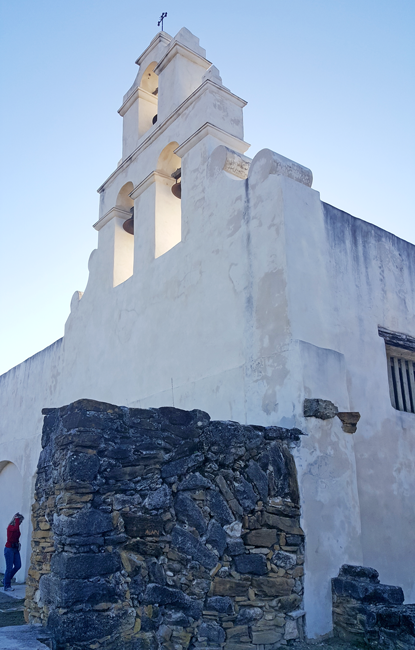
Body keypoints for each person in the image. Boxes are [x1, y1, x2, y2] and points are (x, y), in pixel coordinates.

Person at [3, 513, 24, 591]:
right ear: (16, 520)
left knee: (18, 565)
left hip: (15, 549)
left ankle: (6, 579)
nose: (20, 522)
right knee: (9, 568)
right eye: (20, 521)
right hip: (9, 549)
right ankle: (7, 586)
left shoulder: (16, 527)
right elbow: (15, 530)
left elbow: (17, 533)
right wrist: (17, 519)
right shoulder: (10, 527)